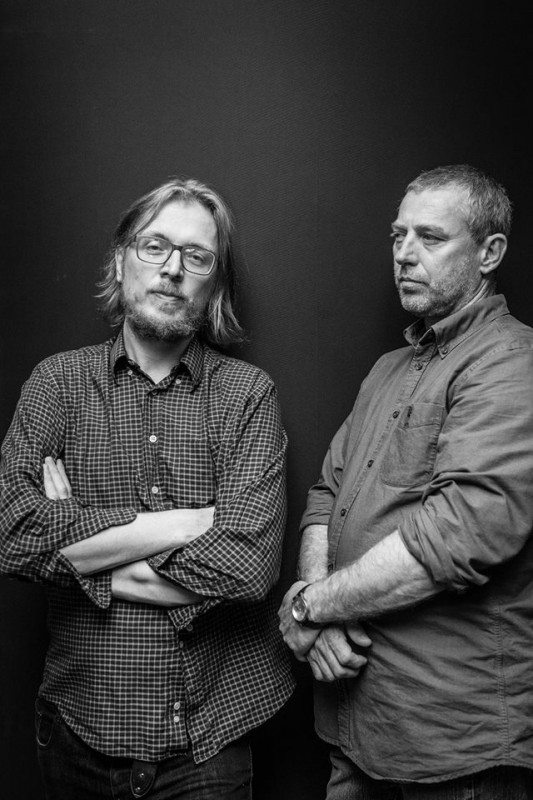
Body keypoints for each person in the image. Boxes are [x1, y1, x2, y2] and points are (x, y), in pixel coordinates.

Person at [0, 176, 294, 799]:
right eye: (154, 246)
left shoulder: (248, 395)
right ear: (121, 261)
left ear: (214, 283)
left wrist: (80, 545)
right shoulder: (57, 384)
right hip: (77, 727)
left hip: (208, 739)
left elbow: (247, 567)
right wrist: (185, 523)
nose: (173, 269)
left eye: (197, 256)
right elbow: (12, 532)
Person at [279, 164, 533, 798]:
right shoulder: (386, 370)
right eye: (398, 236)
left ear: (489, 252)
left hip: (453, 746)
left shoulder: (512, 362)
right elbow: (325, 498)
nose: (404, 254)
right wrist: (316, 604)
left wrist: (309, 607)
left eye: (430, 237)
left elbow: (460, 533)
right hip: (353, 728)